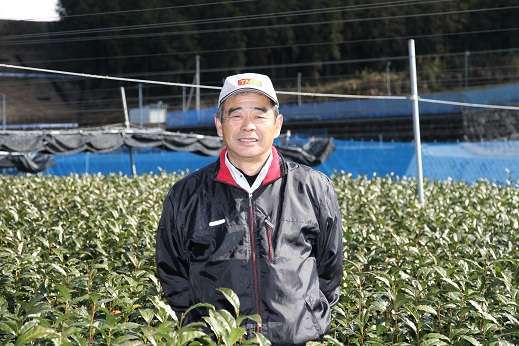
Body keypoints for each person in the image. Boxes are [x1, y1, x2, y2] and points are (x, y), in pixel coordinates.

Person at [156, 72, 343, 345]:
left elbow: (329, 270)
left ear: (277, 124)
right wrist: (202, 331)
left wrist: (307, 321)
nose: (248, 126)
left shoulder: (313, 188)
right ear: (219, 125)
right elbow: (172, 273)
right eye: (236, 115)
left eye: (259, 114)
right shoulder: (186, 195)